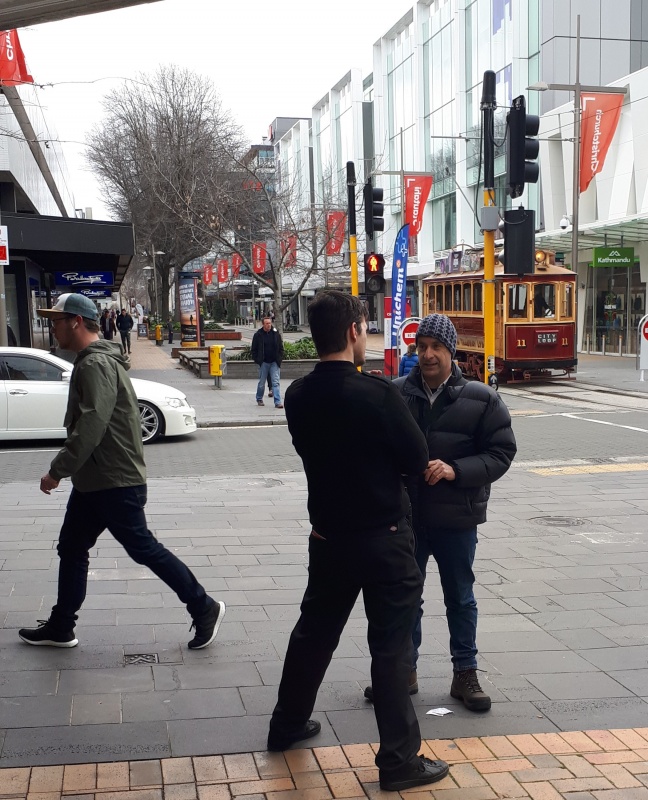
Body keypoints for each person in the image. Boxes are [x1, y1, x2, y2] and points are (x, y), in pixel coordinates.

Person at [267, 290, 449, 792]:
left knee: (313, 634)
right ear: (353, 331)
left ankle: (286, 724)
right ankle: (398, 761)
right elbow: (416, 459)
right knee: (390, 647)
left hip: (328, 537)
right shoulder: (379, 393)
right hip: (384, 539)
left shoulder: (298, 395)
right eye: (365, 327)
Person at [18, 293, 226, 651]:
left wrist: (57, 470)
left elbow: (92, 423)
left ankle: (204, 606)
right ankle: (61, 626)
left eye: (57, 321)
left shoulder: (95, 364)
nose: (52, 328)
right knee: (72, 547)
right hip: (96, 479)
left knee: (143, 548)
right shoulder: (94, 360)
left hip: (113, 480)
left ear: (76, 322)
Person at [365, 314, 516, 712]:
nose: (428, 354)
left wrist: (455, 470)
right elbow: (376, 451)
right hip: (407, 519)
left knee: (460, 598)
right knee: (405, 599)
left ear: (451, 351)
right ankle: (404, 671)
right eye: (422, 347)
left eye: (436, 347)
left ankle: (465, 672)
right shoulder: (395, 393)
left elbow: (501, 452)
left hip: (457, 519)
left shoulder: (482, 398)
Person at [251, 315, 284, 409]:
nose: (269, 325)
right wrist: (258, 360)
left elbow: (281, 347)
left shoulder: (275, 334)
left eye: (269, 323)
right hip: (264, 362)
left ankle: (278, 402)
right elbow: (254, 349)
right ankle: (259, 398)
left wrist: (279, 359)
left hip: (274, 362)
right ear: (263, 324)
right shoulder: (258, 335)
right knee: (262, 382)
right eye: (266, 323)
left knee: (275, 382)